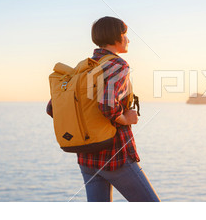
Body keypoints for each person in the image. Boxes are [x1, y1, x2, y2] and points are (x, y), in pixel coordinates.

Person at [46, 16, 160, 202]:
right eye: (125, 34)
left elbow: (53, 108)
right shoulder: (118, 65)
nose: (128, 39)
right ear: (116, 36)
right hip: (115, 156)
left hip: (86, 156)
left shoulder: (84, 68)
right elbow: (107, 105)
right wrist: (126, 118)